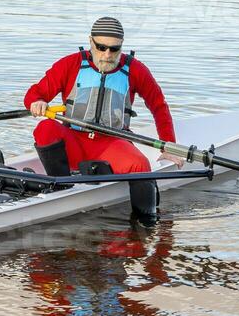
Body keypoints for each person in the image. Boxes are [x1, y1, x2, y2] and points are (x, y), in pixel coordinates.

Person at [25, 16, 177, 223]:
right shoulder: (70, 64)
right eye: (101, 47)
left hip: (110, 143)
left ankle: (148, 222)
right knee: (45, 128)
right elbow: (34, 93)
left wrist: (169, 145)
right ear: (90, 42)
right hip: (74, 141)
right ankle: (62, 187)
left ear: (121, 46)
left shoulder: (135, 70)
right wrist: (36, 102)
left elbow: (159, 106)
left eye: (114, 49)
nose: (107, 54)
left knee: (140, 166)